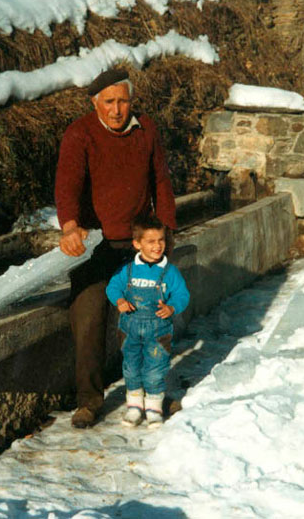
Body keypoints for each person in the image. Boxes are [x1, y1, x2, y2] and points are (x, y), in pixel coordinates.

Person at [55, 67, 177, 428]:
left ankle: (154, 395)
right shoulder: (80, 134)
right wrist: (70, 226)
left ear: (131, 102)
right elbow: (68, 186)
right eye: (108, 102)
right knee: (89, 317)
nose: (116, 109)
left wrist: (166, 233)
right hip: (95, 245)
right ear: (95, 103)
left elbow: (161, 181)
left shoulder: (146, 129)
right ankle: (89, 401)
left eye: (123, 101)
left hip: (138, 243)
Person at [105, 214, 189, 428]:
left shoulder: (169, 272)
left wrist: (172, 307)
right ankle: (134, 406)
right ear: (137, 244)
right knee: (131, 368)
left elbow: (182, 295)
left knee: (155, 370)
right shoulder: (128, 270)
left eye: (161, 240)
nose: (158, 246)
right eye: (151, 241)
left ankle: (153, 408)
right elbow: (112, 287)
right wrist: (120, 300)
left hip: (158, 331)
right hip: (130, 328)